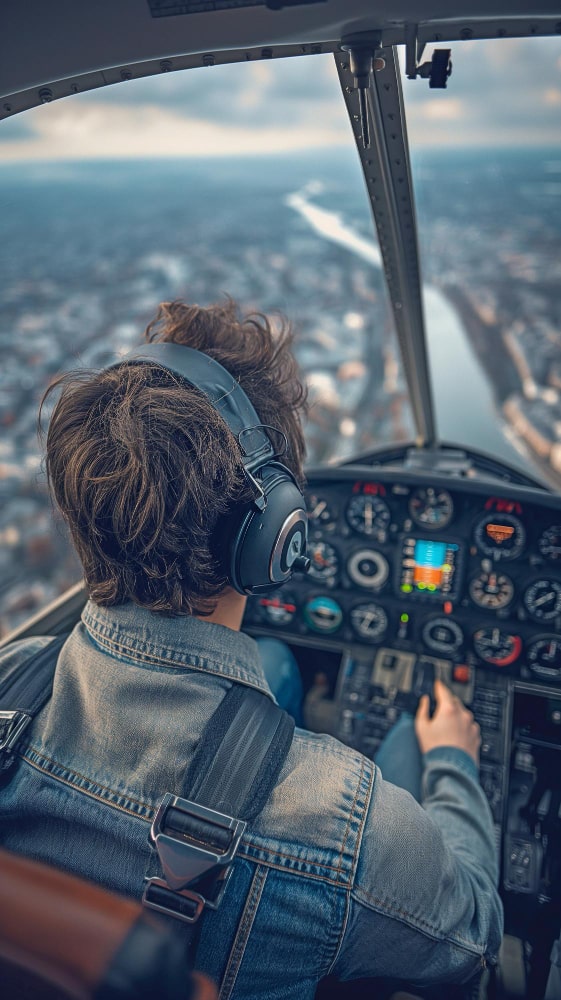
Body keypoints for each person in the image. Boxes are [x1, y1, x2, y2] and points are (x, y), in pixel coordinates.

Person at [0, 299, 502, 999]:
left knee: (277, 666)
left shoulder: (12, 681)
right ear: (273, 534)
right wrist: (454, 760)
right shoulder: (347, 823)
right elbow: (472, 937)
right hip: (306, 840)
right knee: (415, 737)